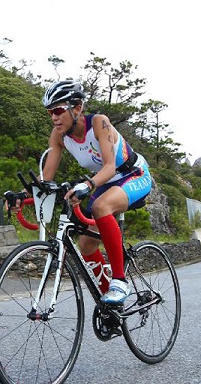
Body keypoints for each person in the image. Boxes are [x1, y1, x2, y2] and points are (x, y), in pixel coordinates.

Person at [39, 79, 153, 305]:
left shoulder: (100, 123)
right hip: (104, 182)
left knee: (102, 206)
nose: (54, 117)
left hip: (133, 174)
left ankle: (119, 282)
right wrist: (22, 195)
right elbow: (46, 177)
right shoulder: (58, 136)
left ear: (77, 108)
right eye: (50, 112)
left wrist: (87, 186)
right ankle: (109, 303)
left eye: (59, 110)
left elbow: (110, 166)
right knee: (86, 245)